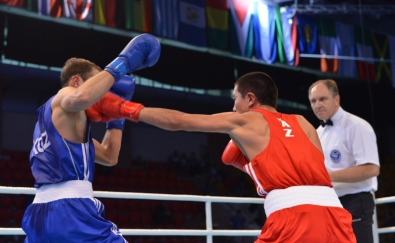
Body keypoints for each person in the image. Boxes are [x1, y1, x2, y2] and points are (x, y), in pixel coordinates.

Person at [87, 71, 356, 243]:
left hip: (294, 221)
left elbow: (181, 121)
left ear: (250, 99)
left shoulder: (247, 120)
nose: (232, 107)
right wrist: (252, 167)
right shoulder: (304, 122)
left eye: (235, 99)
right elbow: (313, 173)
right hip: (336, 218)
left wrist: (124, 108)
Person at [21, 33, 161, 243]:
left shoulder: (57, 125)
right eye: (99, 85)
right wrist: (122, 63)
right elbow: (81, 96)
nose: (103, 93)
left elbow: (110, 155)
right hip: (70, 212)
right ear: (76, 81)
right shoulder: (64, 95)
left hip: (40, 214)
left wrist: (116, 117)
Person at [308, 79, 380, 243]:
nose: (317, 104)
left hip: (355, 201)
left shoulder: (357, 126)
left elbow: (371, 169)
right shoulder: (318, 133)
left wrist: (327, 176)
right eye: (313, 101)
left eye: (323, 99)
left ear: (336, 99)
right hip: (329, 203)